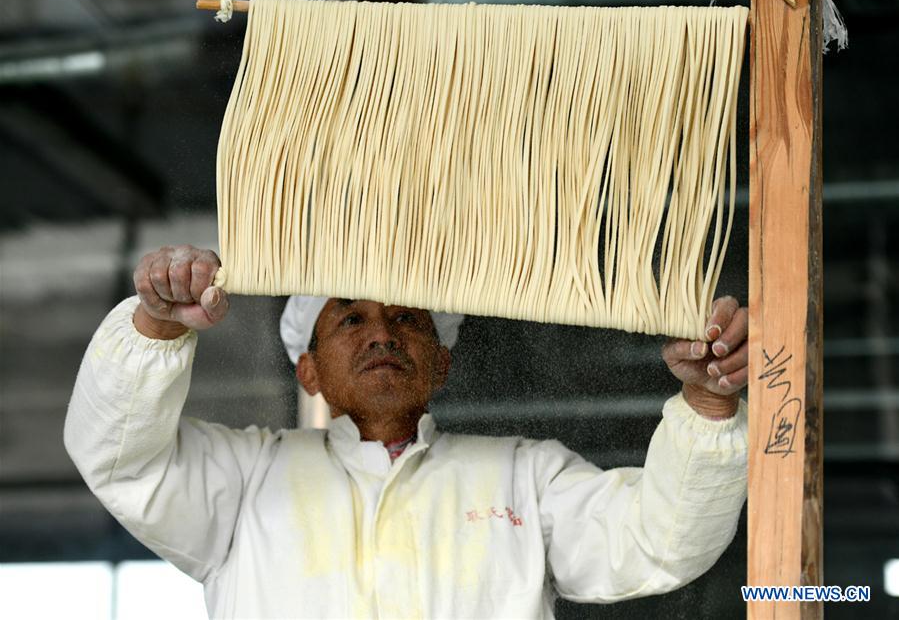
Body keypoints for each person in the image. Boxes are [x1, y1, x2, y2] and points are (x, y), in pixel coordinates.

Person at [65, 244, 749, 619]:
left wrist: (706, 397)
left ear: (441, 361)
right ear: (308, 370)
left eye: (406, 318)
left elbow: (657, 541)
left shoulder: (523, 476)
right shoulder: (245, 479)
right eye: (350, 319)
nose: (382, 334)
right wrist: (157, 322)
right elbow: (121, 459)